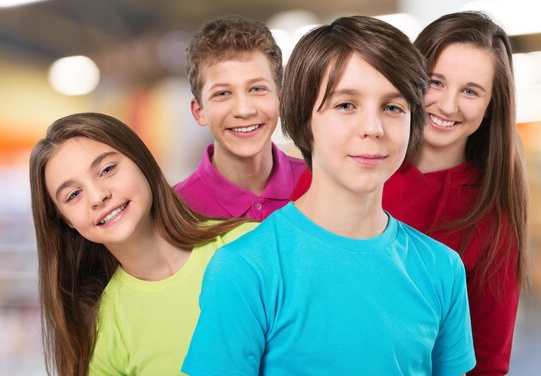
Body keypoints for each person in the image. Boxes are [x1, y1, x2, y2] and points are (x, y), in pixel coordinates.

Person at [182, 16, 476, 375]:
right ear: (304, 118)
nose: (373, 128)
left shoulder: (442, 269)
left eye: (393, 107)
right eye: (346, 105)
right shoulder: (246, 270)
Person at [291, 11, 529, 375]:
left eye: (470, 91)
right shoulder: (344, 165)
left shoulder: (492, 219)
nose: (448, 105)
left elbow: (486, 363)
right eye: (435, 82)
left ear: (490, 104)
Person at [29, 113, 256, 376]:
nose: (98, 196)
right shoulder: (104, 332)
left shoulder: (250, 246)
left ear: (141, 161)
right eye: (73, 195)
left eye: (107, 169)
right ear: (66, 221)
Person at [173, 16, 306, 220]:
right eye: (222, 93)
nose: (244, 110)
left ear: (280, 99)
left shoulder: (319, 186)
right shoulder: (175, 212)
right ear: (199, 112)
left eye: (257, 89)